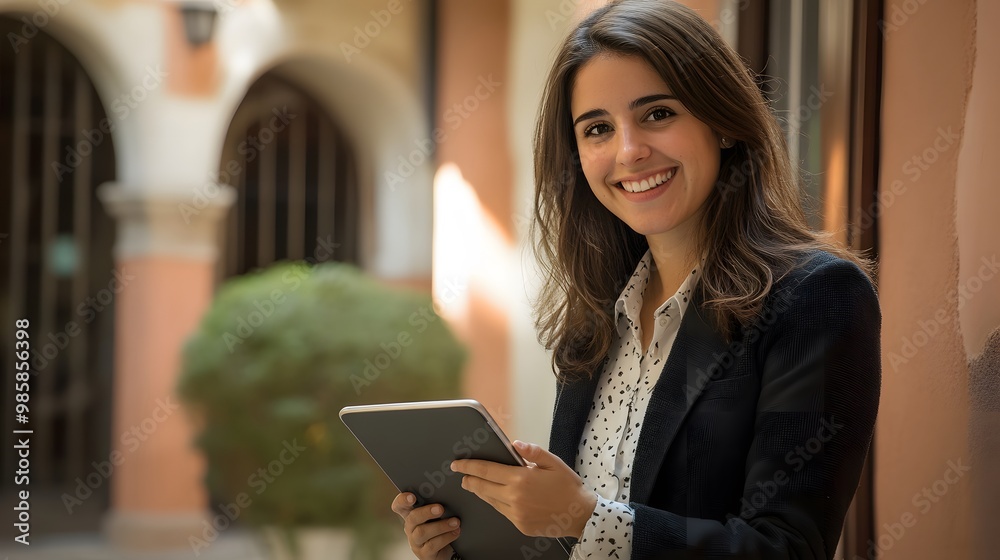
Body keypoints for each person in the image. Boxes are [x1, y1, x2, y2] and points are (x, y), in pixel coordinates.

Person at [391, 0, 881, 558]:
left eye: (657, 114)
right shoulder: (595, 320)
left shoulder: (815, 298)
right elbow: (581, 543)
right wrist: (469, 544)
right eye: (597, 128)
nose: (629, 151)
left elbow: (787, 548)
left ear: (721, 120)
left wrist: (585, 517)